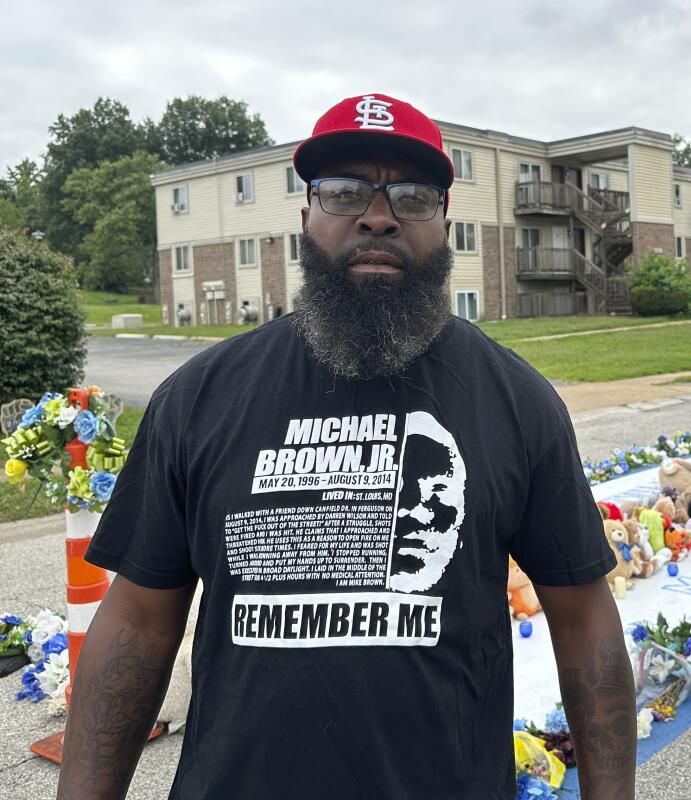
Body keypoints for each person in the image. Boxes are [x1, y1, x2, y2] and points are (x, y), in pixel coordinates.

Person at [58, 92, 635, 800]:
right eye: (345, 190)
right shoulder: (201, 396)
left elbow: (583, 619)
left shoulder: (516, 403)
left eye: (413, 195)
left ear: (445, 222)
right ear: (306, 216)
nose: (378, 213)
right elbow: (139, 622)